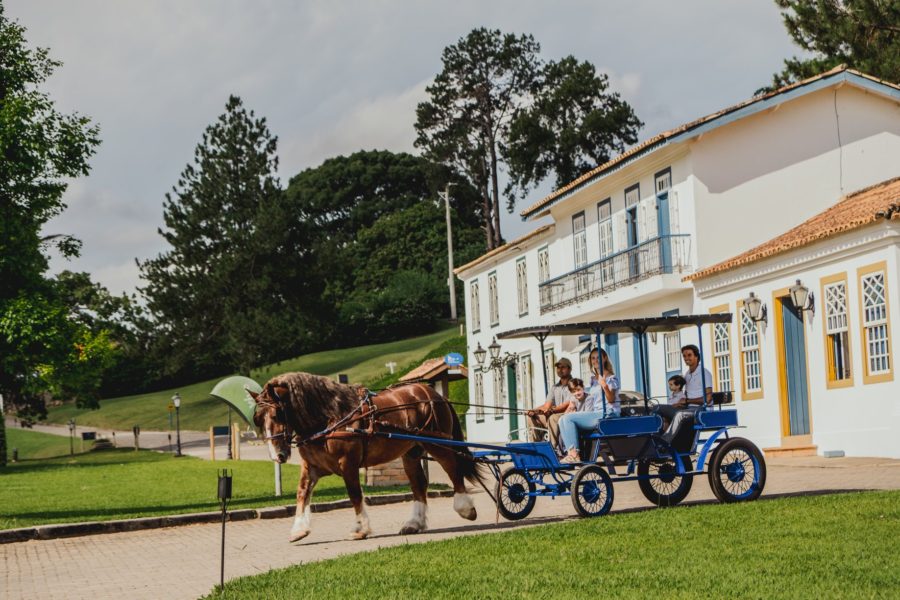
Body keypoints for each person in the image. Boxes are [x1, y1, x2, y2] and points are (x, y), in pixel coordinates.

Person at [558, 349, 621, 464]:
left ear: (605, 358)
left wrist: (605, 386)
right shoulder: (594, 378)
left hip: (608, 413)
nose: (595, 360)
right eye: (593, 358)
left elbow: (611, 399)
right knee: (562, 418)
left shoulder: (611, 377)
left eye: (598, 357)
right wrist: (573, 401)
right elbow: (588, 395)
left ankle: (575, 455)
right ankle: (570, 452)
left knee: (568, 419)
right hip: (597, 412)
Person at [658, 345, 713, 443]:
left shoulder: (705, 373)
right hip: (688, 408)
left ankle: (665, 442)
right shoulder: (687, 374)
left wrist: (687, 401)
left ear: (696, 356)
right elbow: (686, 395)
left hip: (701, 410)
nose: (686, 358)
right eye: (684, 356)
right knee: (659, 409)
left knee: (680, 414)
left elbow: (708, 398)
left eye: (689, 355)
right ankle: (655, 437)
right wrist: (679, 403)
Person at [526, 357, 574, 449]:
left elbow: (567, 404)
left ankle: (552, 448)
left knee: (552, 418)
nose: (560, 370)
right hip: (554, 413)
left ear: (569, 369)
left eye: (563, 367)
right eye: (558, 368)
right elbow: (546, 405)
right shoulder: (554, 387)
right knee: (531, 417)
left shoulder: (573, 384)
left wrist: (551, 410)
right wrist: (533, 411)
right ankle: (536, 447)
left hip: (567, 413)